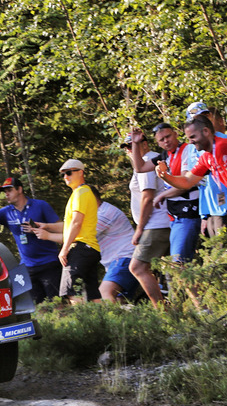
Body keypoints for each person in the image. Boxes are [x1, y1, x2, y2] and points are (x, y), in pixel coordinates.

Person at [156, 115, 227, 240]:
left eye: (193, 137)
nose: (190, 142)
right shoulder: (207, 156)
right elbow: (187, 181)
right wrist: (165, 176)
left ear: (206, 131)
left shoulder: (221, 147)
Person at [32, 186, 138, 302]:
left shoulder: (103, 214)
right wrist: (46, 226)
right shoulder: (96, 212)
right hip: (120, 261)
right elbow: (70, 226)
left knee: (105, 293)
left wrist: (48, 236)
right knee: (117, 301)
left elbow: (77, 235)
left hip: (124, 259)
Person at [0, 177, 62, 303]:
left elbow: (61, 227)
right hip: (27, 267)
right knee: (37, 307)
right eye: (4, 191)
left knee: (58, 305)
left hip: (49, 264)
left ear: (20, 190)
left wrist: (41, 228)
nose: (6, 194)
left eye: (9, 190)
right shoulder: (6, 212)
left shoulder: (40, 205)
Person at [130, 123, 201, 262]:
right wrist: (135, 143)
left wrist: (162, 195)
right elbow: (140, 168)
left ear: (175, 134)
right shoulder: (165, 155)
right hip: (174, 216)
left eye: (168, 136)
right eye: (161, 140)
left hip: (189, 213)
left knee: (179, 263)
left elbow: (185, 184)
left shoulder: (188, 150)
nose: (166, 141)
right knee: (175, 266)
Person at [125, 130, 171, 307]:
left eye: (133, 145)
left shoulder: (148, 161)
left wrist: (139, 229)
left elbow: (148, 197)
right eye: (127, 147)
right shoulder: (149, 160)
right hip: (163, 222)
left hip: (156, 223)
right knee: (174, 267)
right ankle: (189, 309)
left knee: (137, 267)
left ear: (145, 143)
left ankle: (162, 311)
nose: (130, 149)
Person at [51, 159, 101, 303]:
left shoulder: (81, 192)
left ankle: (81, 323)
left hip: (81, 247)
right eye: (63, 175)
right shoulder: (81, 193)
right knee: (93, 295)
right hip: (90, 248)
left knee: (70, 290)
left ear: (80, 172)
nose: (65, 177)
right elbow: (71, 225)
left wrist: (64, 249)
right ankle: (103, 324)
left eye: (68, 173)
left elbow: (76, 222)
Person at [187, 102, 227, 237]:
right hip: (210, 208)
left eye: (205, 115)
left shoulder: (222, 139)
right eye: (197, 119)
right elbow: (196, 180)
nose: (203, 121)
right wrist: (204, 215)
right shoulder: (192, 147)